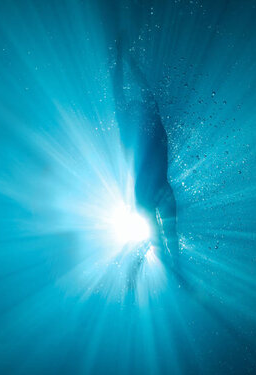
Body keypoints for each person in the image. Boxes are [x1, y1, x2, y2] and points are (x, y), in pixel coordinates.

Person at [112, 36, 181, 276]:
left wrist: (127, 60)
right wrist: (123, 59)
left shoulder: (148, 117)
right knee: (161, 237)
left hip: (154, 186)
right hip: (150, 187)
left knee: (167, 235)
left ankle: (168, 266)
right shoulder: (141, 121)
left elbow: (134, 90)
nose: (137, 105)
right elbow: (121, 91)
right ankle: (146, 263)